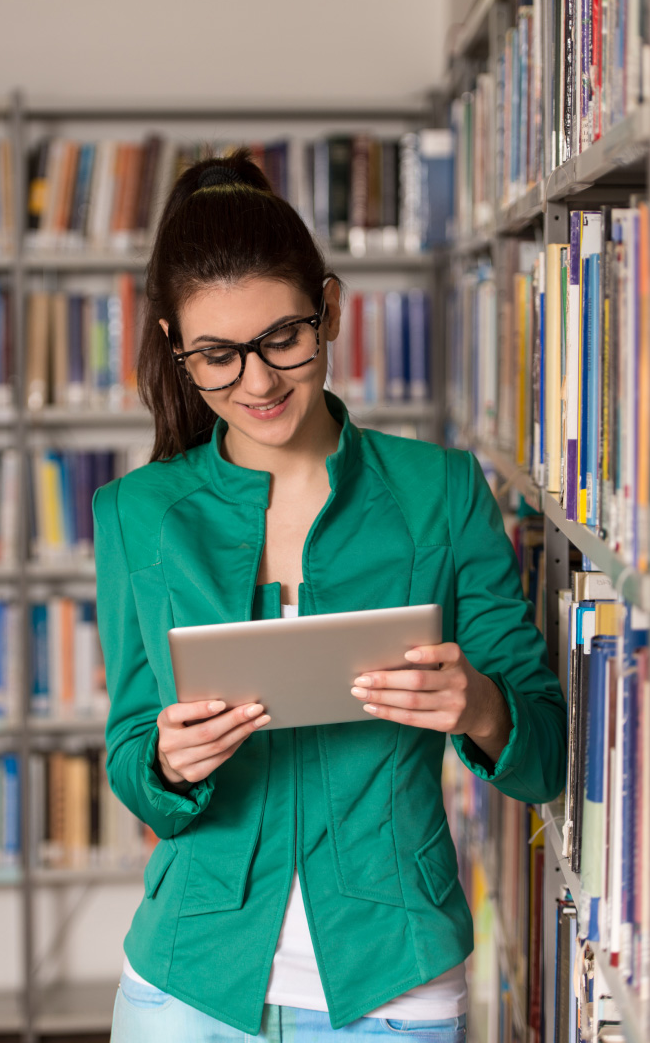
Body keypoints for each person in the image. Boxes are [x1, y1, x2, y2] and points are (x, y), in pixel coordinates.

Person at [93, 150, 567, 1042]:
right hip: (186, 978)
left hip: (392, 979)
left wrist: (481, 708)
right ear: (174, 349)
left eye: (283, 338)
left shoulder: (442, 493)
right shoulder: (136, 516)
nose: (260, 383)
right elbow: (129, 752)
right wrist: (167, 763)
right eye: (217, 357)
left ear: (332, 309)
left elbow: (542, 756)